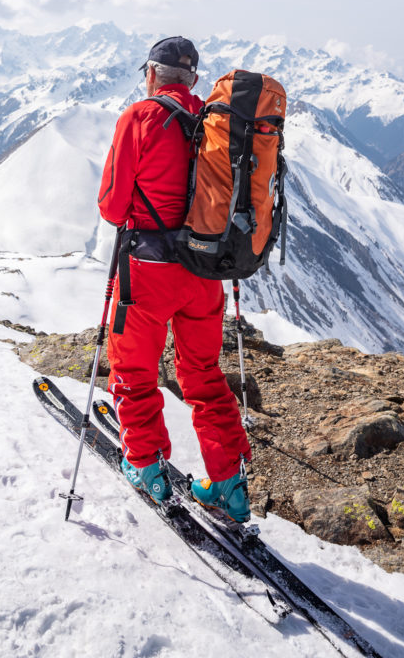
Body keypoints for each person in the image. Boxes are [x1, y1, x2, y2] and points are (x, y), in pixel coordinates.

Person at [97, 36, 252, 521]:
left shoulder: (139, 118)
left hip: (147, 274)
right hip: (205, 273)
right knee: (204, 376)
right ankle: (228, 484)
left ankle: (146, 464)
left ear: (150, 74)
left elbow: (112, 207)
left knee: (136, 372)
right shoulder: (217, 125)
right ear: (195, 81)